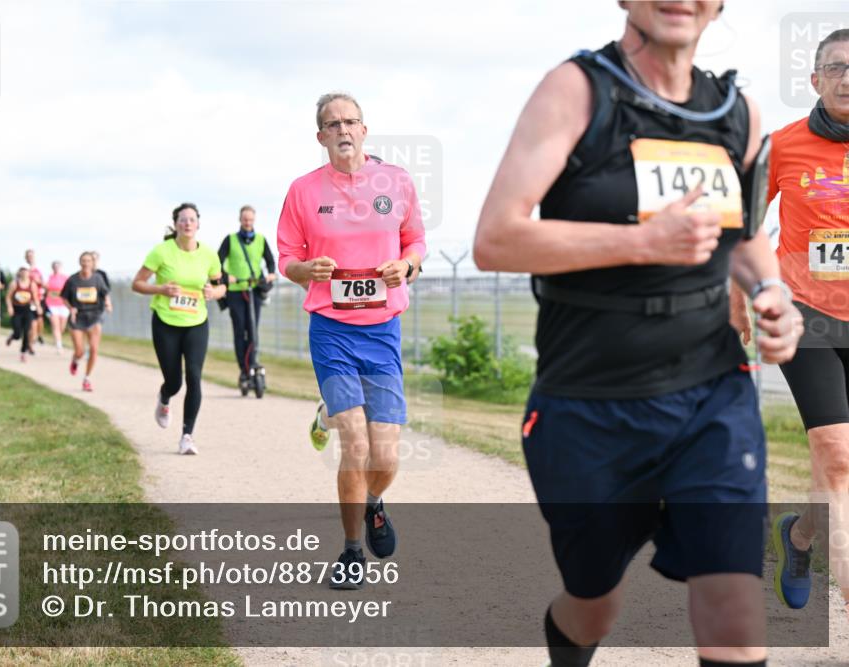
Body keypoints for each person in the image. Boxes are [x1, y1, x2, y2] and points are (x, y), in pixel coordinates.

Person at [472, 3, 804, 666]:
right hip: (590, 401)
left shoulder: (737, 113)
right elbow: (496, 238)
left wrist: (772, 292)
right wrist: (641, 241)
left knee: (736, 609)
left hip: (712, 391)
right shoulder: (577, 89)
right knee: (594, 601)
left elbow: (744, 239)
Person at [277, 92, 425, 589]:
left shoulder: (397, 183)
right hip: (332, 330)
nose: (343, 129)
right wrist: (304, 269)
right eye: (332, 123)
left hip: (382, 331)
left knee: (384, 457)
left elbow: (416, 241)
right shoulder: (302, 191)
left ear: (365, 130)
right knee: (355, 444)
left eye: (351, 121)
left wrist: (405, 265)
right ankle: (350, 551)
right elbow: (287, 257)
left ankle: (374, 504)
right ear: (320, 137)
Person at [761, 27, 849, 615]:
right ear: (816, 80)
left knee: (834, 471)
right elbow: (739, 227)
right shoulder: (783, 146)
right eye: (837, 67)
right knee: (838, 455)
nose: (848, 77)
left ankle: (799, 539)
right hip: (808, 315)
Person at [132, 202, 226, 454]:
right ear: (175, 225)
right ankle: (164, 397)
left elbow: (222, 286)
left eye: (192, 219)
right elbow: (137, 283)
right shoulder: (161, 252)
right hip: (165, 322)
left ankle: (187, 436)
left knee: (194, 377)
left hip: (196, 322)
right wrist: (160, 289)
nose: (187, 223)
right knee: (174, 381)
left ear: (198, 224)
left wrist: (213, 292)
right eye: (182, 219)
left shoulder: (208, 254)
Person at [218, 204, 277, 387]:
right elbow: (216, 264)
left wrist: (271, 273)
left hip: (255, 290)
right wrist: (228, 277)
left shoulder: (261, 239)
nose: (247, 222)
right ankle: (244, 370)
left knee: (253, 329)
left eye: (250, 219)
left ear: (254, 220)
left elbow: (270, 261)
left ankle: (251, 364)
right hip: (236, 292)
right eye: (245, 219)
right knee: (240, 331)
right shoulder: (230, 240)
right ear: (240, 219)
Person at [61, 252, 111, 392]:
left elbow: (105, 293)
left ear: (92, 262)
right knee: (80, 351)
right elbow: (64, 298)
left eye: (88, 260)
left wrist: (108, 304)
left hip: (94, 316)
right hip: (78, 317)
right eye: (83, 260)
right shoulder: (72, 280)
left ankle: (87, 379)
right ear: (79, 262)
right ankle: (75, 360)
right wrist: (71, 308)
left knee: (94, 349)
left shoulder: (98, 278)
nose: (86, 263)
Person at [6, 267, 42, 362]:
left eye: (26, 272)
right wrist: (10, 307)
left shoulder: (32, 284)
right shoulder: (14, 284)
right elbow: (8, 297)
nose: (24, 274)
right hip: (16, 310)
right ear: (19, 273)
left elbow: (35, 298)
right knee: (17, 333)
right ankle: (12, 336)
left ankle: (23, 352)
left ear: (28, 274)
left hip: (27, 310)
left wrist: (38, 307)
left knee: (27, 331)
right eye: (22, 272)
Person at [45, 261, 70, 353]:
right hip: (51, 304)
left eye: (58, 266)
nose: (56, 268)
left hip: (63, 305)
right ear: (52, 268)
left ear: (61, 267)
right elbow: (45, 287)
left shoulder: (65, 278)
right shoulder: (49, 277)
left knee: (62, 327)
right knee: (56, 325)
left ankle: (57, 338)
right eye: (54, 266)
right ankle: (59, 346)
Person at [25, 249, 46, 349]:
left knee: (40, 320)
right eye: (28, 256)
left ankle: (39, 335)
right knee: (32, 323)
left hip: (40, 298)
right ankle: (31, 344)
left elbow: (46, 285)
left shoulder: (40, 270)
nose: (30, 258)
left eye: (32, 256)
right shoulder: (23, 270)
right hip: (28, 300)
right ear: (26, 258)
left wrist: (39, 282)